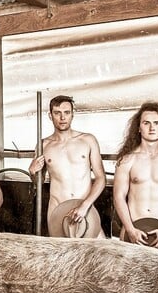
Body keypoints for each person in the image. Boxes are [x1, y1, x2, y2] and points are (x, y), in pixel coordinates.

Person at [113, 101, 158, 254]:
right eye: (146, 123)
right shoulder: (127, 159)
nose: (152, 127)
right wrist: (130, 229)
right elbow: (118, 196)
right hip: (133, 230)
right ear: (139, 127)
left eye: (156, 123)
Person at [29, 95, 107, 238]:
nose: (62, 117)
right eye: (57, 113)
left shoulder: (88, 140)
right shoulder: (43, 145)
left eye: (66, 112)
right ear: (50, 116)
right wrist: (33, 172)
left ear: (72, 114)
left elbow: (101, 178)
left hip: (85, 208)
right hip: (57, 209)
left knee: (99, 249)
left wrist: (85, 206)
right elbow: (38, 183)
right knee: (60, 252)